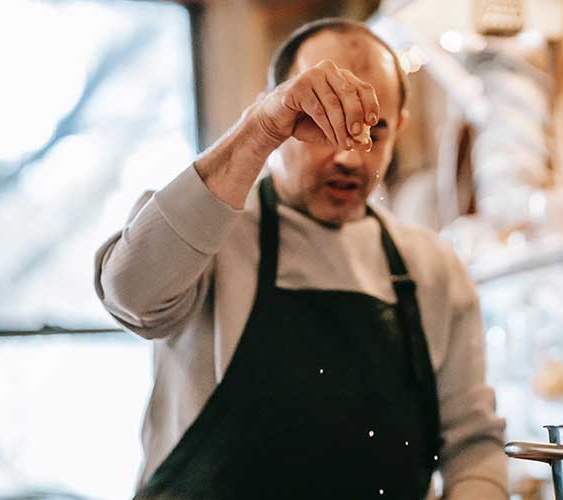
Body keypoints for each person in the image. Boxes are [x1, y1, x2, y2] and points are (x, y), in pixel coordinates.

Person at [95, 17, 507, 500]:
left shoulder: (433, 267)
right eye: (320, 124)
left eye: (373, 130)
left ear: (399, 128)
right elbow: (130, 293)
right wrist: (256, 130)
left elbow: (472, 445)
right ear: (279, 117)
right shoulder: (209, 234)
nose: (351, 157)